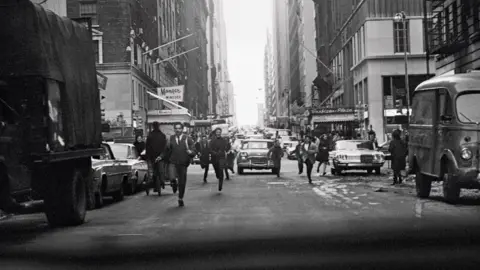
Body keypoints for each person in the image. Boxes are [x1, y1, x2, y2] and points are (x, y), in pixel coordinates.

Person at [168, 123, 196, 207]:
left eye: (179, 128)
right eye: (176, 128)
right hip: (173, 162)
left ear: (182, 129)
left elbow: (194, 150)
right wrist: (160, 156)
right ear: (174, 129)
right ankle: (173, 183)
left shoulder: (188, 139)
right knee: (172, 176)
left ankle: (180, 198)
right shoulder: (171, 138)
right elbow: (166, 150)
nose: (177, 130)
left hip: (183, 164)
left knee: (182, 182)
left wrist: (191, 152)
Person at [145, 122, 167, 193]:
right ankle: (162, 182)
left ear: (153, 127)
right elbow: (165, 147)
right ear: (158, 126)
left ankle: (154, 184)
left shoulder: (150, 136)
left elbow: (147, 147)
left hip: (152, 157)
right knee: (161, 170)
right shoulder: (162, 135)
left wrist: (147, 156)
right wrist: (163, 155)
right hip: (160, 156)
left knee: (152, 171)